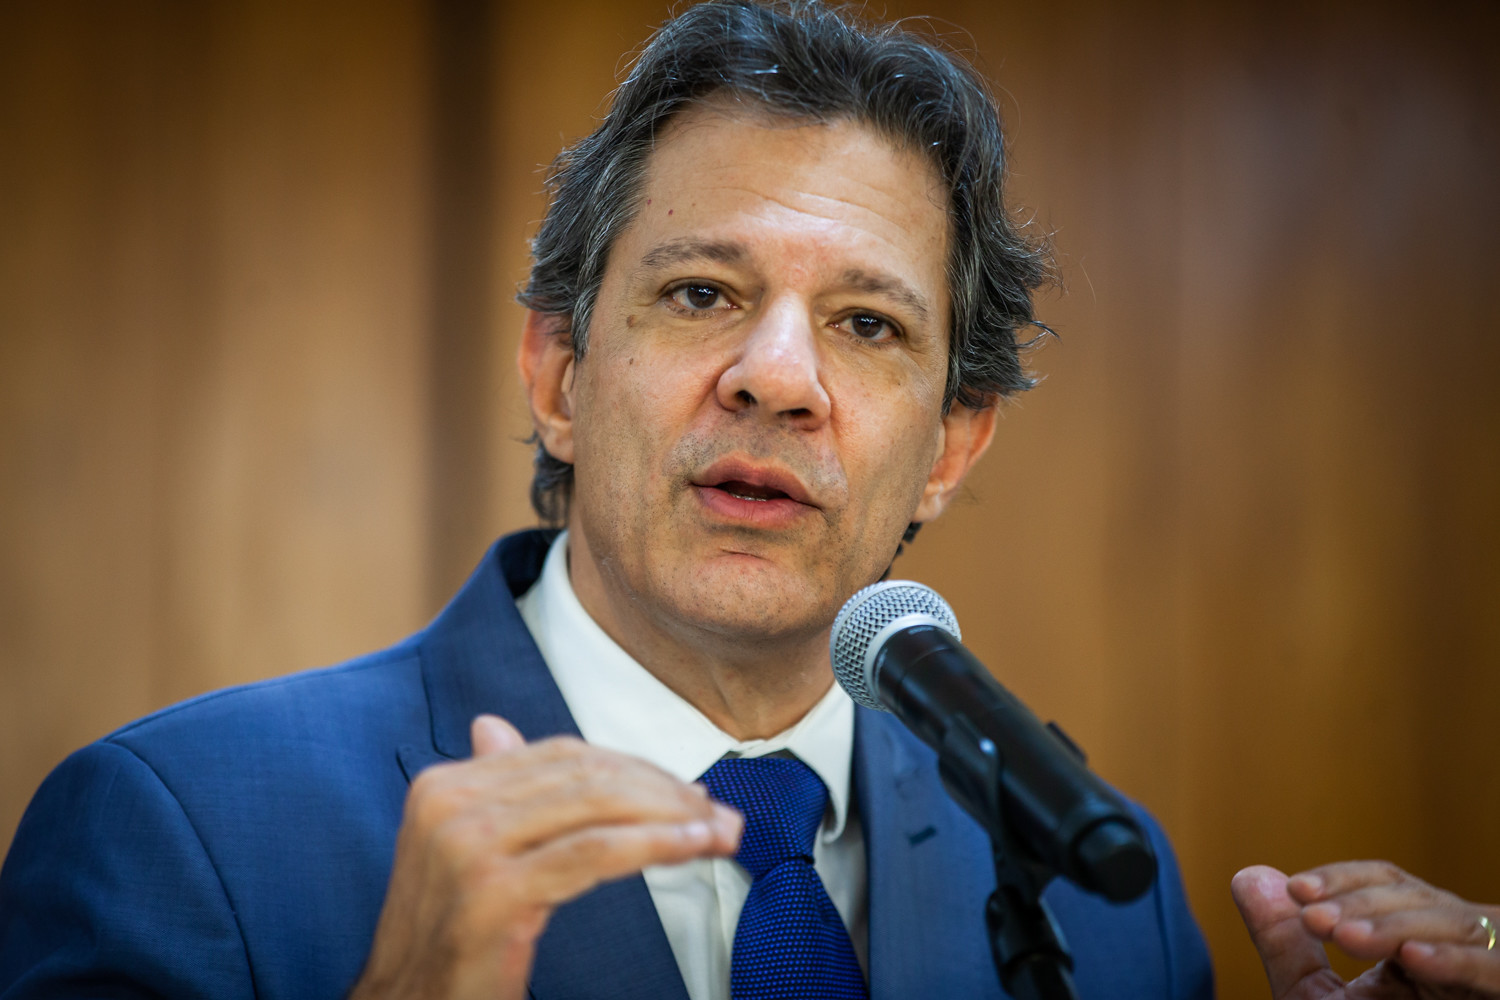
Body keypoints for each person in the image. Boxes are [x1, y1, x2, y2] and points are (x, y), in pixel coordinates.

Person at [0, 3, 1486, 999]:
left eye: (867, 324)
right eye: (703, 292)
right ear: (561, 377)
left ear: (952, 447)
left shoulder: (1105, 897)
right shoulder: (179, 834)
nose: (778, 378)